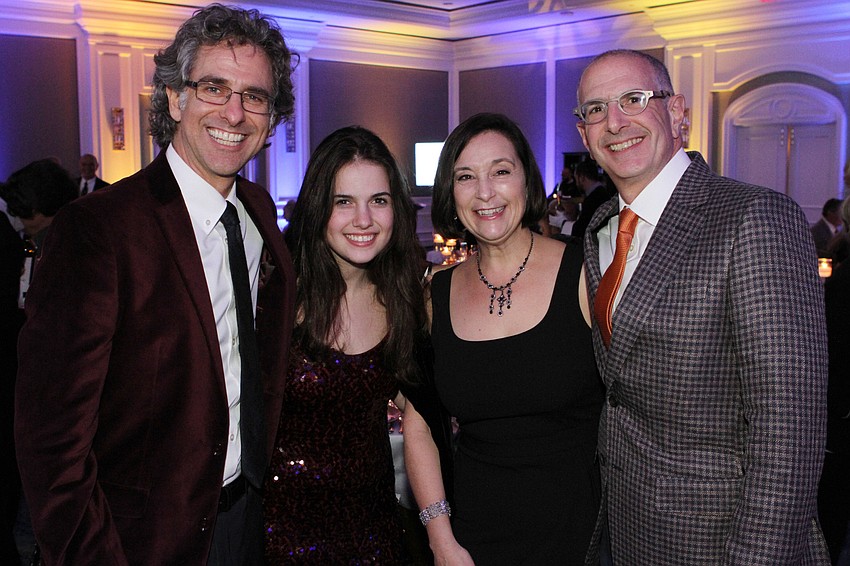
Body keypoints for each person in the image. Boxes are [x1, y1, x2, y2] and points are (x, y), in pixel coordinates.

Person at [14, 4, 297, 564]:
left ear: (270, 118)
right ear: (174, 97)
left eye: (255, 96)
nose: (235, 112)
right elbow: (51, 442)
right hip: (139, 541)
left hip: (246, 520)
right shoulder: (98, 229)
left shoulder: (260, 213)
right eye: (214, 87)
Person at [574, 48, 829, 564]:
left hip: (725, 540)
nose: (615, 121)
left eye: (634, 98)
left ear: (677, 112)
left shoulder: (755, 218)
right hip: (627, 529)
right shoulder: (599, 228)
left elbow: (789, 432)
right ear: (584, 135)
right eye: (596, 109)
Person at [403, 112, 605, 565]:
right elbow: (419, 424)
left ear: (526, 181)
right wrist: (441, 540)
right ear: (451, 194)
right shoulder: (435, 293)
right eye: (466, 177)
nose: (485, 192)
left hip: (585, 537)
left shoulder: (585, 274)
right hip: (474, 541)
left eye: (500, 171)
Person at [263, 125, 428, 563]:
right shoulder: (277, 297)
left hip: (375, 533)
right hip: (279, 535)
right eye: (343, 202)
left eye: (379, 201)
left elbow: (421, 413)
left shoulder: (406, 299)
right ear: (319, 208)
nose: (363, 220)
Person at [1, 159, 77, 564]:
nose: (16, 217)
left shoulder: (61, 247)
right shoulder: (33, 244)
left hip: (54, 407)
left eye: (21, 208)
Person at [570, 159, 615, 240]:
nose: (576, 183)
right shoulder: (602, 193)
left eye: (576, 178)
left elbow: (582, 229)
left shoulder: (594, 198)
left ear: (582, 178)